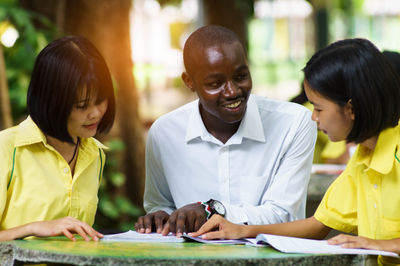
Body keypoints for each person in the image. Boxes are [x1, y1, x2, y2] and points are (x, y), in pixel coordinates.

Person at [190, 38, 400, 265]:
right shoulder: (364, 157)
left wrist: (388, 245)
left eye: (318, 108)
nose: (313, 117)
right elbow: (319, 225)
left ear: (351, 109)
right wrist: (242, 231)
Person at [135, 25, 317, 236]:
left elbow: (284, 214)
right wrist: (161, 218)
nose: (232, 92)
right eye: (215, 83)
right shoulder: (164, 133)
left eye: (241, 77)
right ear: (189, 82)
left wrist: (211, 210)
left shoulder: (293, 123)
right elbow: (161, 204)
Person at [0, 36, 116, 242]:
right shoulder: (7, 148)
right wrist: (33, 228)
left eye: (101, 100)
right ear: (52, 101)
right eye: (82, 105)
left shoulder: (95, 154)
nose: (95, 114)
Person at [290, 83, 351, 165]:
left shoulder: (302, 109)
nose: (314, 117)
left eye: (318, 110)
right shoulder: (308, 111)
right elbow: (338, 159)